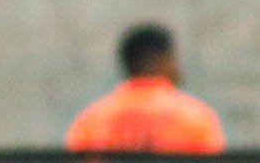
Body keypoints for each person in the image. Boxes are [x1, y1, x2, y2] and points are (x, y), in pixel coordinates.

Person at [65, 24, 226, 154]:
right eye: (174, 58)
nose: (178, 67)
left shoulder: (91, 121)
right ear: (161, 59)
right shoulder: (196, 118)